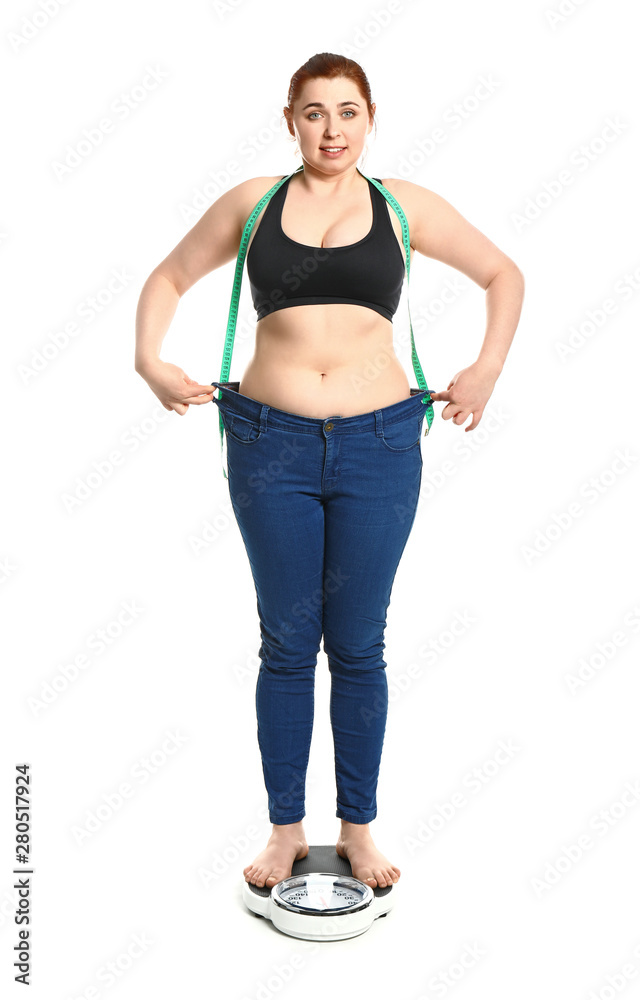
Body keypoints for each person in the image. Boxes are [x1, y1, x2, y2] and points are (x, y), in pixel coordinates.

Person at [134, 52, 525, 893]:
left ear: (370, 117)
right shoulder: (252, 204)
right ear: (290, 121)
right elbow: (168, 277)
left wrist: (488, 365)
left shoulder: (403, 208)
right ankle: (284, 830)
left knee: (358, 646)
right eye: (314, 113)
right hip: (269, 445)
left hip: (379, 447)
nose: (332, 128)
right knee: (285, 644)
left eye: (347, 112)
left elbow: (503, 273)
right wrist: (149, 358)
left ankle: (357, 827)